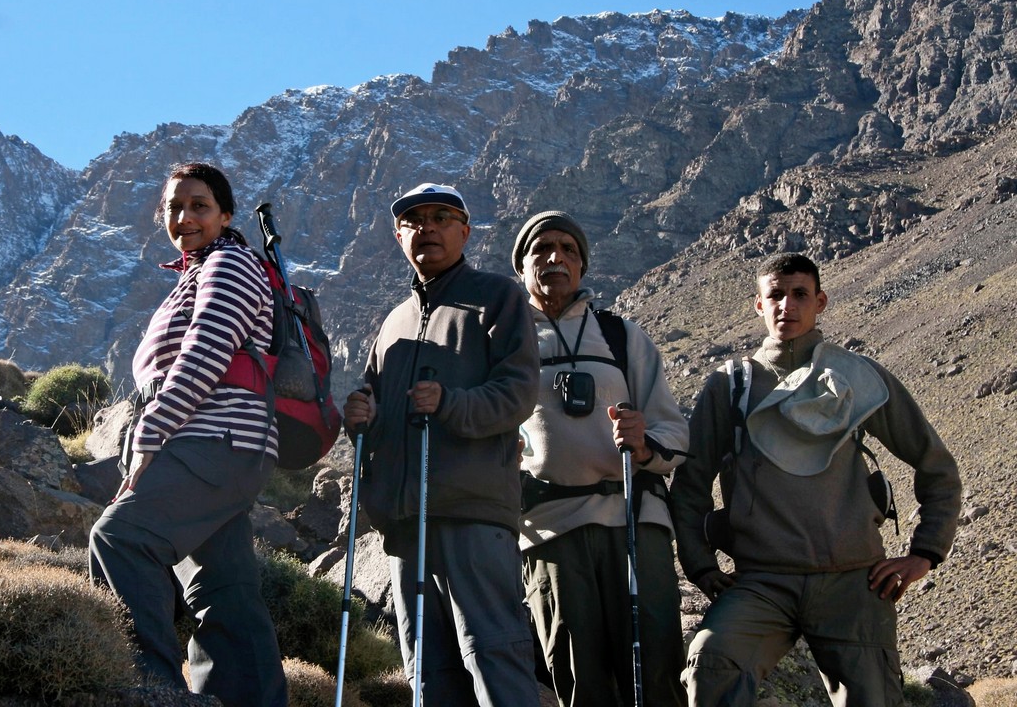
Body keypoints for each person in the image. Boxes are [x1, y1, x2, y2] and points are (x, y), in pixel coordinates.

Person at [671, 252, 962, 707]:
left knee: (873, 699)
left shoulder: (856, 377)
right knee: (711, 663)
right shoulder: (731, 384)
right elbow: (690, 485)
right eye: (776, 295)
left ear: (820, 301)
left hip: (852, 582)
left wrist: (925, 553)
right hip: (762, 581)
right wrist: (701, 567)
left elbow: (935, 464)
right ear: (758, 305)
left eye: (799, 294)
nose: (787, 305)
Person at [89, 162, 287, 707]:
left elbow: (206, 351)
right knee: (225, 592)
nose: (184, 217)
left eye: (199, 205)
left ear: (226, 215)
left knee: (121, 538)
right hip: (225, 445)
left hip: (213, 438)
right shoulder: (197, 273)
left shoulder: (229, 263)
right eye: (174, 207)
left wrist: (151, 433)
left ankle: (149, 691)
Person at [342, 183, 542, 706]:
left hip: (472, 514)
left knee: (494, 656)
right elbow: (377, 408)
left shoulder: (499, 296)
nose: (426, 227)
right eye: (413, 220)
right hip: (405, 525)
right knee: (426, 673)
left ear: (465, 231)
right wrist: (362, 416)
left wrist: (450, 402)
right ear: (397, 235)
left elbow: (518, 393)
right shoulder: (392, 323)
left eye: (441, 217)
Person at [512, 210, 689, 707]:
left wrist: (644, 441)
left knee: (656, 669)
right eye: (541, 249)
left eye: (569, 250)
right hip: (548, 527)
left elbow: (674, 430)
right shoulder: (504, 342)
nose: (555, 258)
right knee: (576, 674)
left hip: (633, 519)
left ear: (583, 266)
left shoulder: (621, 336)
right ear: (521, 266)